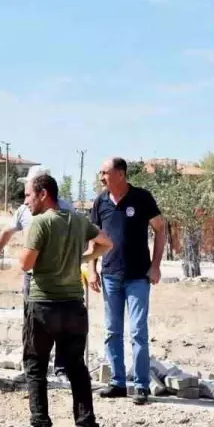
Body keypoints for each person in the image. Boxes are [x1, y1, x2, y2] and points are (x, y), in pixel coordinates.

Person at [17, 174, 111, 427]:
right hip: (73, 308)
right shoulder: (79, 220)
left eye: (28, 196)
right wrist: (84, 258)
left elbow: (26, 263)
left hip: (43, 306)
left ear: (43, 194)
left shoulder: (39, 223)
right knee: (76, 369)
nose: (26, 202)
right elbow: (107, 243)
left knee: (35, 366)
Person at [88, 157, 166, 405]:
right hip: (110, 275)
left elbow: (161, 228)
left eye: (105, 172)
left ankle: (141, 386)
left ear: (120, 174)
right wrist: (91, 268)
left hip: (138, 277)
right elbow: (93, 238)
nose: (101, 177)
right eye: (100, 173)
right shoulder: (100, 201)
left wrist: (155, 266)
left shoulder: (142, 198)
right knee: (112, 332)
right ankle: (118, 383)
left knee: (138, 332)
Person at [0, 168, 74, 375]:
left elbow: (81, 235)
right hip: (33, 277)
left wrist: (83, 262)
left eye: (28, 190)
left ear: (42, 190)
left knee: (60, 322)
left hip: (60, 276)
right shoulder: (24, 211)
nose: (25, 196)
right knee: (32, 322)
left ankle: (61, 367)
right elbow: (6, 231)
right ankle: (31, 366)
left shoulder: (66, 209)